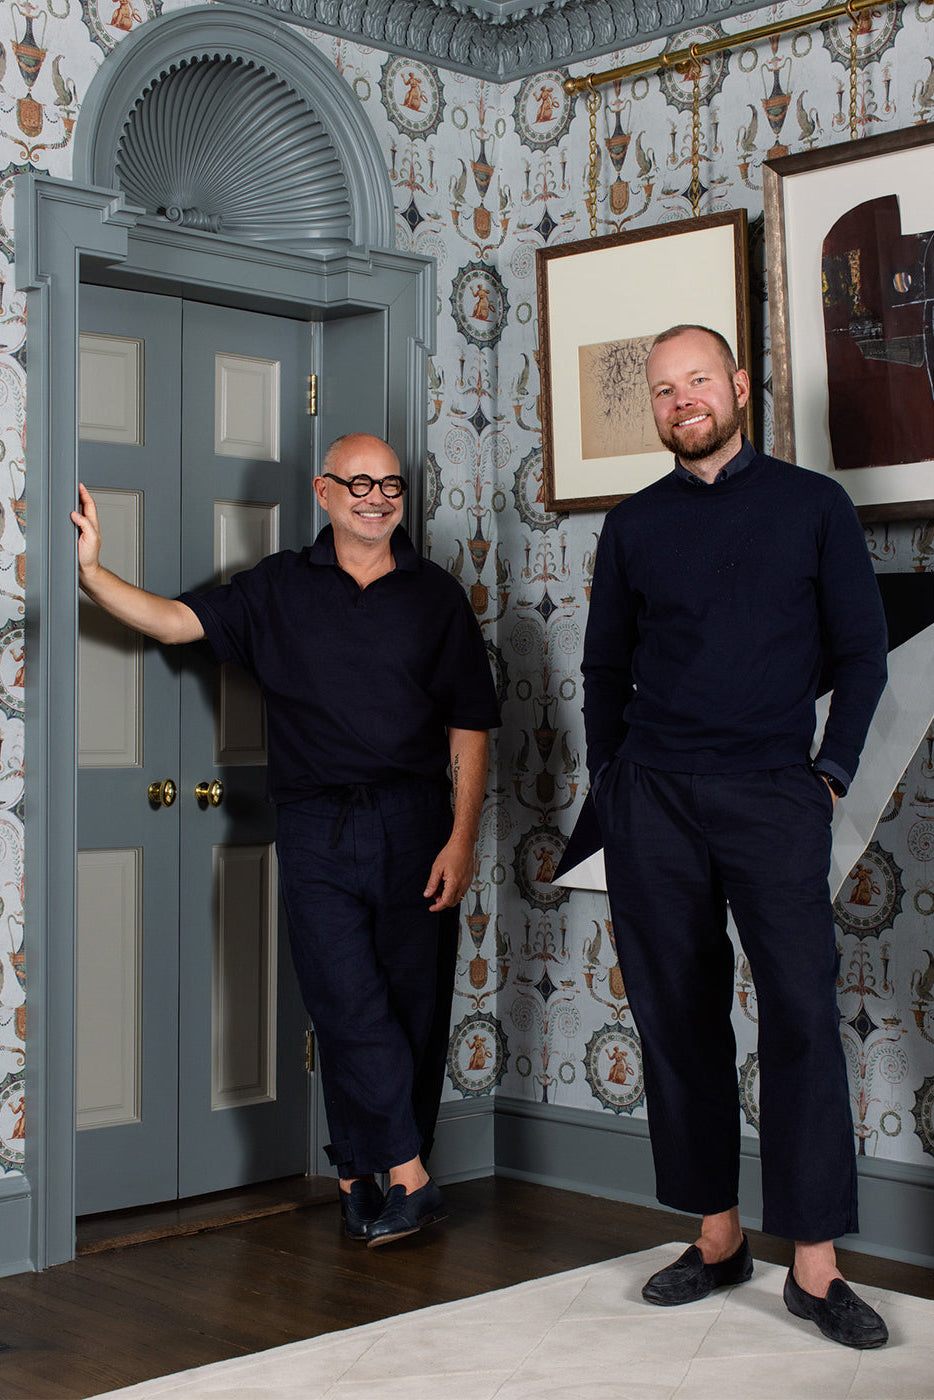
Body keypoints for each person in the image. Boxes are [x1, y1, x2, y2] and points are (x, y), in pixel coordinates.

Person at [71, 432, 500, 1247]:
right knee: (345, 1000)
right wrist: (93, 572)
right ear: (323, 492)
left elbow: (471, 729)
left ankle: (359, 1175)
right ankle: (408, 1176)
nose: (377, 499)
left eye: (391, 487)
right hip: (313, 825)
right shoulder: (276, 589)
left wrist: (462, 839)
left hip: (416, 823)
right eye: (359, 484)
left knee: (411, 1007)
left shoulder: (437, 598)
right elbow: (171, 623)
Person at [582, 325, 889, 1348]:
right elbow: (600, 671)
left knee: (799, 1013)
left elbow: (862, 653)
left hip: (772, 790)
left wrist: (829, 773)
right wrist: (615, 780)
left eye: (697, 380)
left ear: (739, 386)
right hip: (654, 798)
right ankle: (716, 1237)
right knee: (677, 1017)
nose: (681, 400)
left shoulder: (813, 506)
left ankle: (812, 1266)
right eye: (664, 390)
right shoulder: (631, 525)